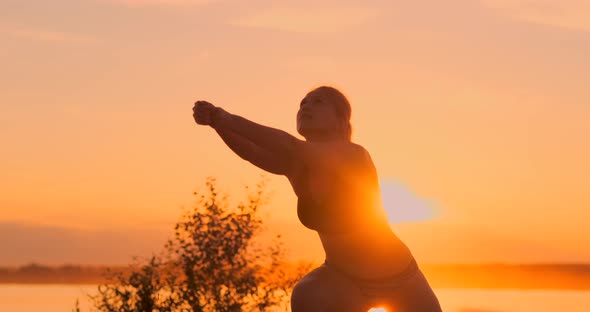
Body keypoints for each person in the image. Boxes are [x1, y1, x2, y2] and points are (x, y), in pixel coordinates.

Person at [192, 86, 442, 312]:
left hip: (401, 280)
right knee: (307, 294)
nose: (305, 107)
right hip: (342, 280)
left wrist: (226, 117)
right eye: (302, 103)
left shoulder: (353, 155)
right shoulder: (296, 166)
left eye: (318, 102)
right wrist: (218, 124)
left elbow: (288, 144)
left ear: (339, 120)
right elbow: (251, 152)